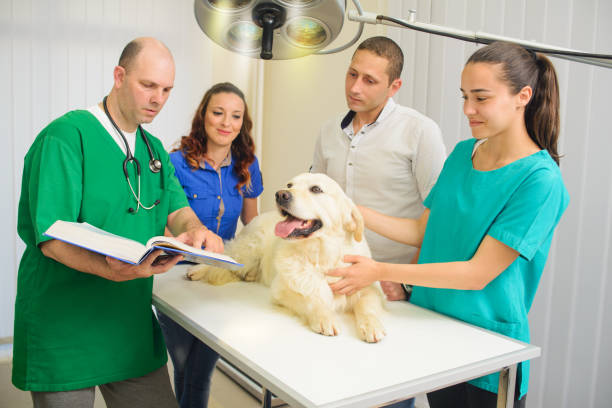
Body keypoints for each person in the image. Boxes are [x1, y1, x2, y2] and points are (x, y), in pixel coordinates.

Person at [327, 41, 570, 408]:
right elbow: (423, 232)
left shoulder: (540, 180)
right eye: (465, 96)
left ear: (523, 96)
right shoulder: (462, 154)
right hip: (434, 331)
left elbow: (477, 274)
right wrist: (349, 208)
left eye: (481, 98)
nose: (468, 110)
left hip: (488, 348)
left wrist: (377, 271)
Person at [13, 37, 224, 408]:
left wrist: (195, 229)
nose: (158, 98)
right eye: (148, 85)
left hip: (128, 329)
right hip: (66, 327)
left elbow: (176, 208)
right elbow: (50, 236)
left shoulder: (154, 150)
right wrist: (106, 270)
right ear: (119, 76)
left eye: (167, 89)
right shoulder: (66, 136)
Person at [311, 36, 446, 304]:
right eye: (352, 74)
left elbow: (439, 220)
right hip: (333, 276)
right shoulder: (328, 130)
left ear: (394, 86)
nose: (355, 88)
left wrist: (407, 283)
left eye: (369, 81)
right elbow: (317, 203)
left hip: (389, 287)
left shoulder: (420, 131)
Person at [157, 82, 264, 408]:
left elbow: (252, 225)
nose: (225, 123)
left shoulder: (248, 165)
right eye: (218, 113)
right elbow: (162, 223)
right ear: (203, 114)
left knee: (201, 371)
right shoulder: (174, 163)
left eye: (235, 116)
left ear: (242, 123)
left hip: (219, 278)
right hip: (175, 277)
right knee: (183, 365)